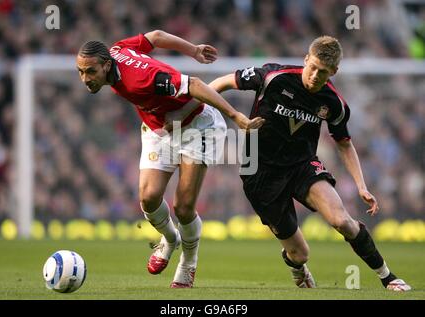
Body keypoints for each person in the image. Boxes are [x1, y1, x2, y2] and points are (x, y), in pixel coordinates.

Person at [209, 36, 411, 291]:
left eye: (323, 72)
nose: (315, 75)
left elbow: (344, 143)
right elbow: (221, 83)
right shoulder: (273, 76)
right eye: (313, 67)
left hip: (302, 166)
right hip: (258, 170)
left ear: (334, 72)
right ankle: (296, 265)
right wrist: (222, 112)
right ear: (306, 59)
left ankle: (388, 277)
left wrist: (361, 186)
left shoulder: (334, 103)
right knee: (300, 254)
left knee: (342, 221)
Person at [76, 30, 264, 288]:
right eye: (81, 72)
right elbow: (155, 36)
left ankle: (188, 261)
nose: (85, 79)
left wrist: (236, 116)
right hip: (161, 128)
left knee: (183, 207)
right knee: (148, 197)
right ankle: (170, 238)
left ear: (106, 65)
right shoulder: (117, 49)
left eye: (90, 72)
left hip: (198, 126)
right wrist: (193, 49)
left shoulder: (141, 79)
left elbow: (195, 85)